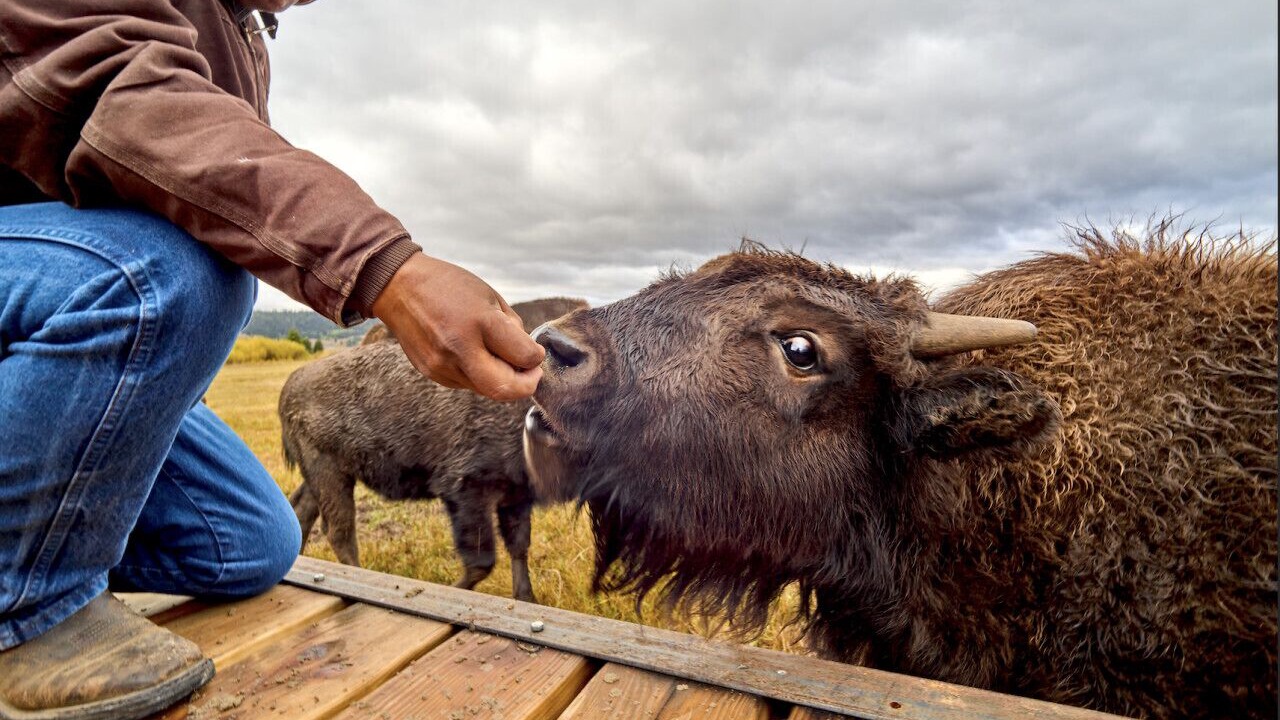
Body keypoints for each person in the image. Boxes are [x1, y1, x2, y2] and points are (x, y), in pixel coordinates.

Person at [0, 1, 546, 717]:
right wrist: (388, 269)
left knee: (250, 545)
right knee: (171, 275)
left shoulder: (242, 25)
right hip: (51, 289)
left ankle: (47, 540)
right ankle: (24, 610)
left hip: (52, 320)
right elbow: (134, 101)